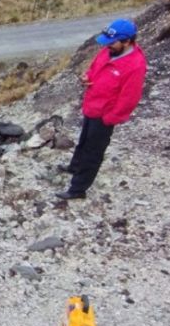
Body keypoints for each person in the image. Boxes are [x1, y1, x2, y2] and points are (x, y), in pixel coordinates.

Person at [57, 18, 147, 200]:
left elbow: (130, 98)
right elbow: (93, 69)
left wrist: (111, 118)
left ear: (127, 41)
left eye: (112, 42)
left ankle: (78, 189)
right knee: (83, 141)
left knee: (93, 152)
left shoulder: (135, 65)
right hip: (91, 106)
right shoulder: (107, 52)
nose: (108, 46)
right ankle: (74, 166)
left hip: (105, 115)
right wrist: (86, 77)